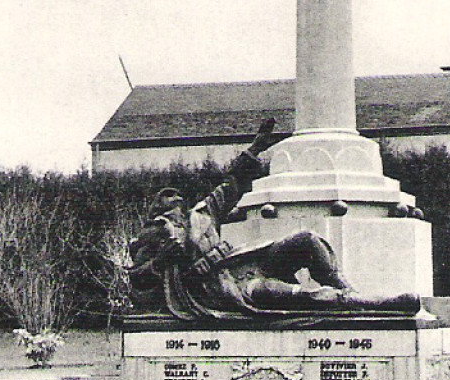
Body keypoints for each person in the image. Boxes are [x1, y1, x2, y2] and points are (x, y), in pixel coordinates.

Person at [127, 118, 419, 323]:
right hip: (227, 288)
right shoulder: (154, 236)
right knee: (300, 296)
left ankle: (349, 291)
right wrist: (160, 262)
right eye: (167, 200)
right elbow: (136, 277)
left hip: (246, 261)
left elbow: (232, 184)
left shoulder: (201, 214)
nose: (174, 201)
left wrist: (255, 148)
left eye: (177, 199)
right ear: (158, 211)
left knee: (306, 241)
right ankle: (376, 306)